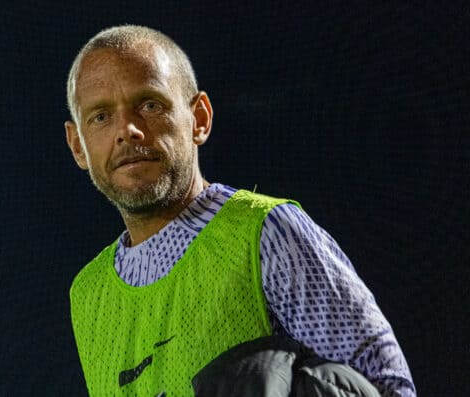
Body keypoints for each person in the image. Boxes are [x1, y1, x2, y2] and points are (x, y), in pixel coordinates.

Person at [64, 25, 416, 396]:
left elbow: (390, 388)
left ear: (199, 118)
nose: (128, 130)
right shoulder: (88, 295)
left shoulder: (269, 233)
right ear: (77, 145)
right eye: (101, 116)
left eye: (150, 105)